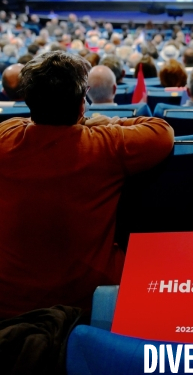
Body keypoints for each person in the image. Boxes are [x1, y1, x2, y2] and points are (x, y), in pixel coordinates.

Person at [0, 51, 174, 319]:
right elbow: (162, 131)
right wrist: (110, 122)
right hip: (89, 306)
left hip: (10, 309)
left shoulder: (6, 134)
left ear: (28, 101)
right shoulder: (106, 143)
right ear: (83, 103)